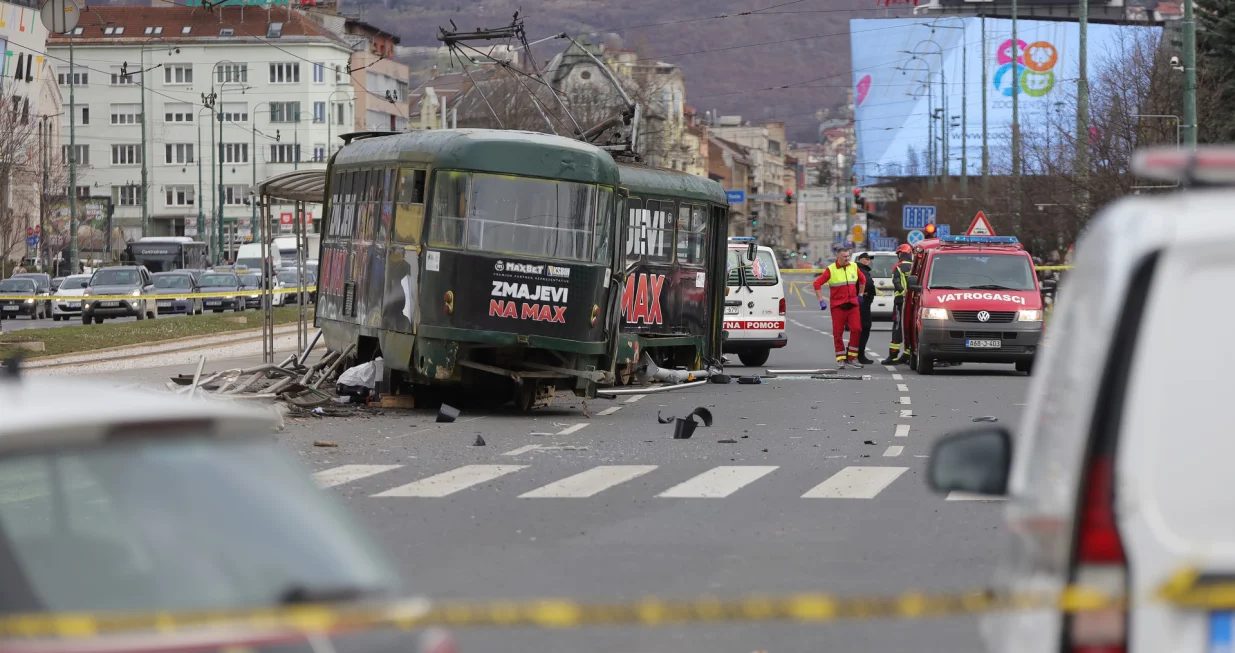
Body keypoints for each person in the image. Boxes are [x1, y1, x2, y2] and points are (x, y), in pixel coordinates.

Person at [812, 247, 867, 369]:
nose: (847, 258)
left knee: (857, 329)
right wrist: (821, 301)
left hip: (853, 305)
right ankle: (841, 358)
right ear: (838, 257)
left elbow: (863, 280)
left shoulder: (853, 266)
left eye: (848, 256)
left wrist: (860, 295)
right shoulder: (831, 269)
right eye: (844, 257)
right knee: (838, 333)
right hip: (838, 307)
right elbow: (817, 283)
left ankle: (852, 358)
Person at [882, 244, 914, 365]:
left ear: (900, 254)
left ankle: (893, 356)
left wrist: (902, 294)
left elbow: (897, 283)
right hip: (914, 301)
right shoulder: (916, 266)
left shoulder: (898, 267)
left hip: (901, 301)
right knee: (910, 326)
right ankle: (908, 354)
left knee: (897, 326)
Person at [855, 252, 877, 365]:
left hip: (864, 302)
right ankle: (858, 354)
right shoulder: (860, 270)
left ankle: (857, 354)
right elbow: (867, 284)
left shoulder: (864, 270)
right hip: (862, 302)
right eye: (866, 259)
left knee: (862, 328)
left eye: (869, 260)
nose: (868, 261)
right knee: (864, 327)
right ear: (860, 259)